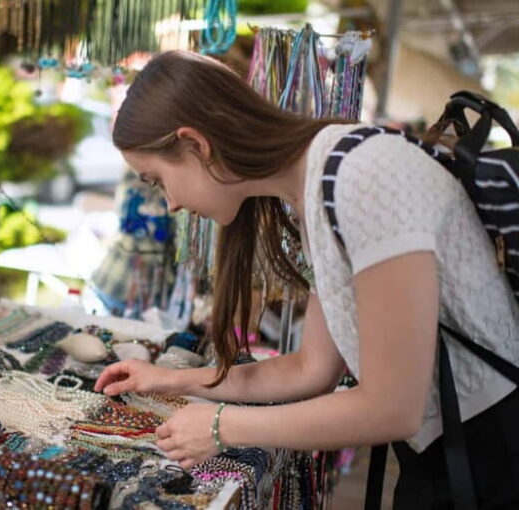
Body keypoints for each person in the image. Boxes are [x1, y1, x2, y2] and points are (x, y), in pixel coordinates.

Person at [94, 50, 519, 508]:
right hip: (449, 453)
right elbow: (311, 369)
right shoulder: (317, 188)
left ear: (195, 144)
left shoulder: (360, 176)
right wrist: (171, 381)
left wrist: (222, 426)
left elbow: (392, 406)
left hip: (495, 453)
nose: (170, 203)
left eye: (157, 180)